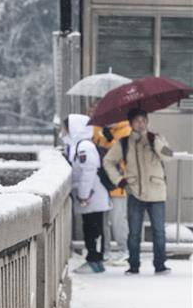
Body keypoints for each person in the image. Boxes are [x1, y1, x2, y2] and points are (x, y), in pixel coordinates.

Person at [103, 108, 175, 275]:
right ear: (131, 124)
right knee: (134, 232)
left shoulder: (157, 137)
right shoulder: (124, 142)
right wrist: (120, 181)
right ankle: (133, 265)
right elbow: (108, 161)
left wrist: (156, 142)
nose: (140, 123)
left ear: (147, 121)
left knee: (159, 230)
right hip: (134, 191)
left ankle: (160, 265)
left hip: (157, 192)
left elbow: (169, 155)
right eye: (137, 121)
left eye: (143, 120)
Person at [65, 114, 110, 273]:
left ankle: (94, 260)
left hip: (91, 196)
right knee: (92, 228)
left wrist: (83, 195)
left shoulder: (84, 146)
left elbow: (88, 172)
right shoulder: (82, 145)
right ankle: (95, 261)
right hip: (92, 195)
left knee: (92, 229)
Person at [93, 120, 131, 264]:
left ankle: (124, 250)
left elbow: (125, 155)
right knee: (103, 221)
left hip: (118, 184)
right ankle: (105, 250)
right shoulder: (98, 129)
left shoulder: (126, 130)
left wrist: (110, 140)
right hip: (102, 183)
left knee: (118, 220)